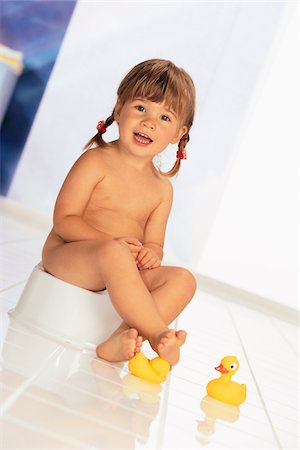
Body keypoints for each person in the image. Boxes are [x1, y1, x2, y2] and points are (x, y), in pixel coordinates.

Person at [42, 59, 197, 367]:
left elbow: (154, 244)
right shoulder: (96, 162)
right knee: (114, 253)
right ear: (119, 108)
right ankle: (156, 334)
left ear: (179, 134)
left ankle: (122, 337)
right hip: (71, 256)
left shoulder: (161, 189)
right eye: (141, 108)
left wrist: (150, 254)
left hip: (121, 267)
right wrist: (113, 245)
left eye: (164, 117)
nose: (149, 122)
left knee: (183, 280)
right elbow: (64, 221)